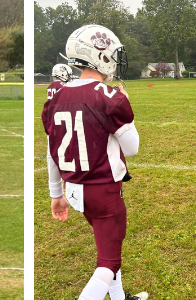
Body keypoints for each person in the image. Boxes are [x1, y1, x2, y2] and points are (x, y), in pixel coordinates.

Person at [44, 24, 147, 300]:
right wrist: (126, 106)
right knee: (108, 263)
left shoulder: (56, 95)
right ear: (100, 56)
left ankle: (119, 297)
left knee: (107, 246)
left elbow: (51, 150)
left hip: (75, 190)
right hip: (103, 188)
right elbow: (133, 147)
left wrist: (56, 194)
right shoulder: (108, 96)